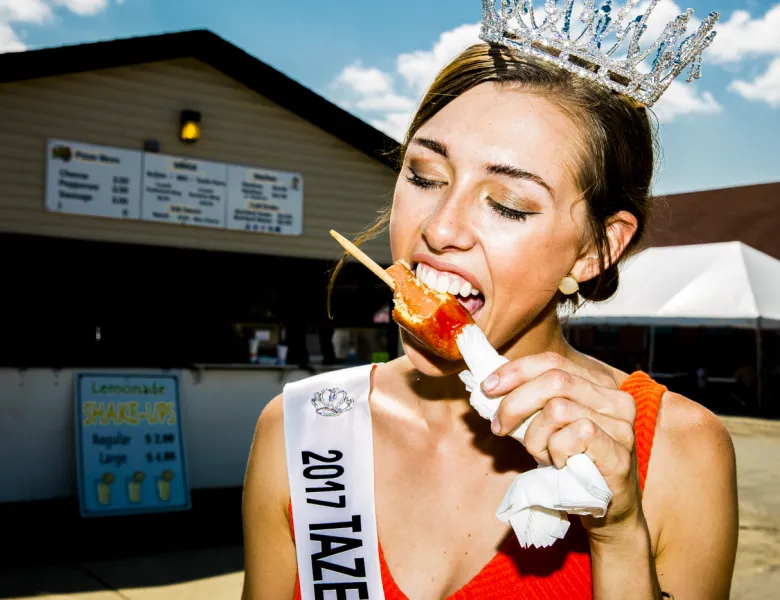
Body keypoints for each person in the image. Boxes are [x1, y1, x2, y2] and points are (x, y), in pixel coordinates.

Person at [241, 5, 738, 599]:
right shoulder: (301, 429)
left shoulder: (679, 449)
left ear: (596, 249)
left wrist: (619, 534)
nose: (440, 227)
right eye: (424, 176)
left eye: (507, 204)